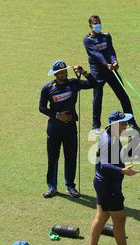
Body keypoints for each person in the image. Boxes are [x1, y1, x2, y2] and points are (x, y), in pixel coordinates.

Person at [84, 111, 140, 245]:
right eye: (123, 123)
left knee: (102, 217)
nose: (126, 125)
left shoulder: (109, 135)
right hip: (109, 186)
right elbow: (105, 165)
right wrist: (122, 170)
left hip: (103, 184)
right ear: (115, 124)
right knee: (119, 219)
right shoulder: (110, 140)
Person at [39, 60, 97, 198]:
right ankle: (51, 187)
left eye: (65, 71)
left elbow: (94, 84)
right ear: (55, 74)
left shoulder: (74, 83)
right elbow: (41, 108)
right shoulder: (47, 88)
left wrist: (83, 72)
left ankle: (70, 186)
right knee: (53, 157)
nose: (63, 73)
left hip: (70, 127)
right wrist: (57, 115)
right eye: (60, 72)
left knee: (71, 157)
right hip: (54, 128)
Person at [83, 15, 139, 134]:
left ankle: (131, 122)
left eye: (99, 22)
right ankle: (95, 126)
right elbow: (96, 54)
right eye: (95, 23)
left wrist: (114, 61)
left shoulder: (106, 36)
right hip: (98, 72)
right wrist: (106, 64)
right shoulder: (87, 40)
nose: (97, 25)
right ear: (90, 26)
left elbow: (111, 50)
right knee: (98, 97)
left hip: (111, 70)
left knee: (123, 95)